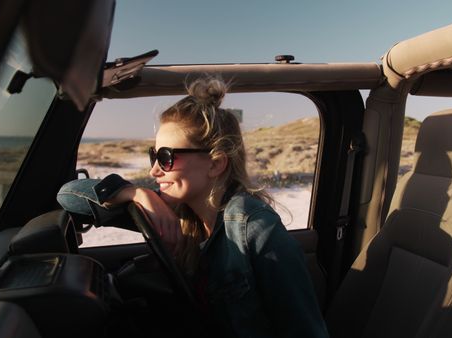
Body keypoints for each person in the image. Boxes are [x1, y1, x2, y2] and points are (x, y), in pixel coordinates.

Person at [57, 77, 329, 338]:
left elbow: (306, 331)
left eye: (166, 157)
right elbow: (68, 196)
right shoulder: (171, 207)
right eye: (154, 155)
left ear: (215, 164)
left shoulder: (255, 229)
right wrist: (134, 192)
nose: (153, 170)